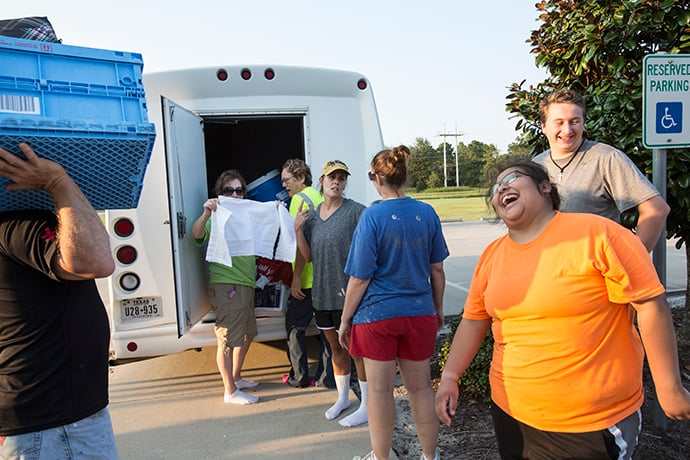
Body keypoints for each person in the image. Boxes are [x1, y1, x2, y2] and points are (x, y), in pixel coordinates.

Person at [435, 159, 690, 460]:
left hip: (590, 423)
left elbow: (650, 304)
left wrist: (669, 386)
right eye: (495, 187)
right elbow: (473, 321)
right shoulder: (492, 255)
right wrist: (450, 375)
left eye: (513, 178)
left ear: (546, 187)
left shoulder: (598, 234)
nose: (501, 187)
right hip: (511, 413)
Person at [0, 143, 119, 458]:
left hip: (48, 418)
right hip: (53, 426)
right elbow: (97, 262)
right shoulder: (14, 226)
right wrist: (58, 182)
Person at [340, 145, 449, 460]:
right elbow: (437, 269)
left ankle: (381, 456)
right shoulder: (427, 213)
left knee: (378, 392)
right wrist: (437, 308)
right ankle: (431, 456)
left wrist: (346, 320)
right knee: (420, 390)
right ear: (404, 176)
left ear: (376, 178)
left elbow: (360, 278)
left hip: (377, 317)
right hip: (418, 314)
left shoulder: (372, 216)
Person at [532, 88, 670, 252]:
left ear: (583, 122)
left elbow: (656, 208)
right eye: (559, 122)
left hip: (597, 272)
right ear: (544, 126)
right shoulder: (536, 166)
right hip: (550, 269)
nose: (567, 130)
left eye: (574, 121)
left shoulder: (606, 158)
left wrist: (632, 259)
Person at [294, 159, 368, 427]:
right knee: (335, 347)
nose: (336, 182)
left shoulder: (356, 212)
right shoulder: (311, 216)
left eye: (341, 178)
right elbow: (308, 257)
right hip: (322, 294)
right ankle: (342, 399)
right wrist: (298, 230)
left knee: (356, 350)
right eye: (331, 177)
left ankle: (367, 405)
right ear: (321, 182)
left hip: (348, 295)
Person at [192, 169, 260, 405]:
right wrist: (206, 212)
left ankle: (236, 378)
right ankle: (229, 391)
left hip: (245, 284)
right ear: (221, 193)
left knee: (249, 333)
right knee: (228, 341)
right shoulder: (217, 217)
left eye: (238, 190)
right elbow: (196, 234)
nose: (234, 194)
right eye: (228, 190)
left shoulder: (247, 216)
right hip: (228, 285)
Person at [280, 159, 334, 389]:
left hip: (308, 278)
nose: (284, 185)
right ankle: (327, 377)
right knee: (326, 330)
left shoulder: (298, 201)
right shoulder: (319, 197)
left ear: (301, 178)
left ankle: (299, 376)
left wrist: (296, 279)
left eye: (287, 180)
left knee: (295, 327)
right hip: (325, 277)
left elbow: (302, 247)